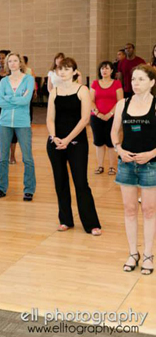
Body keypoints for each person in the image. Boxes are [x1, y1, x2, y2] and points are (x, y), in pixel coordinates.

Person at [47, 57, 102, 236]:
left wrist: (68, 139)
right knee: (60, 182)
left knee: (80, 182)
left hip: (76, 142)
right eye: (59, 69)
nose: (62, 72)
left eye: (66, 68)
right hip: (56, 142)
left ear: (74, 71)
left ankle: (91, 223)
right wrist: (54, 137)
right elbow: (49, 118)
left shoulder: (82, 90)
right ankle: (65, 220)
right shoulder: (54, 91)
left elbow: (85, 118)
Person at [111, 64, 156, 275]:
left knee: (149, 211)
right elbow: (114, 132)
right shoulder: (122, 104)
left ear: (152, 82)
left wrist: (152, 153)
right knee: (129, 210)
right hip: (127, 164)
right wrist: (119, 150)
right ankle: (132, 253)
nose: (135, 83)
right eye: (133, 79)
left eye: (140, 79)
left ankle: (148, 254)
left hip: (151, 164)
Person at [0, 53, 36, 201]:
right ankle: (1, 187)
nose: (12, 63)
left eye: (15, 61)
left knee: (27, 157)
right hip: (4, 122)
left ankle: (29, 189)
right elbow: (0, 103)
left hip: (22, 122)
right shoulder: (4, 81)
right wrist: (16, 98)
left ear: (20, 63)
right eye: (9, 61)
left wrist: (8, 98)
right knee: (3, 157)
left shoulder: (28, 79)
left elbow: (26, 101)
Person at [90, 61, 123, 175]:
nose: (104, 70)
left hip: (112, 117)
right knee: (98, 142)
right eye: (102, 68)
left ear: (112, 70)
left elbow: (120, 101)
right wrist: (98, 114)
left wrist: (109, 114)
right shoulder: (95, 83)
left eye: (107, 68)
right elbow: (91, 101)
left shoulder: (117, 83)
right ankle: (100, 166)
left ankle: (112, 167)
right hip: (96, 117)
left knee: (111, 143)